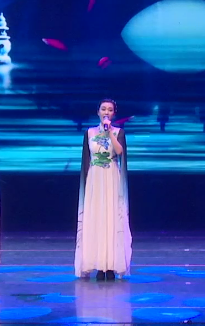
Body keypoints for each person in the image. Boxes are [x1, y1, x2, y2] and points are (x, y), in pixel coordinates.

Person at [74, 99, 132, 281]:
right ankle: (98, 264)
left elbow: (120, 152)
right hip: (95, 178)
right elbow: (86, 159)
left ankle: (111, 265)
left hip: (111, 177)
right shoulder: (89, 133)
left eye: (110, 110)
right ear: (98, 112)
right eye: (103, 109)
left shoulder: (118, 132)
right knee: (96, 218)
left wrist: (109, 134)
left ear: (114, 113)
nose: (106, 112)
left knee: (111, 218)